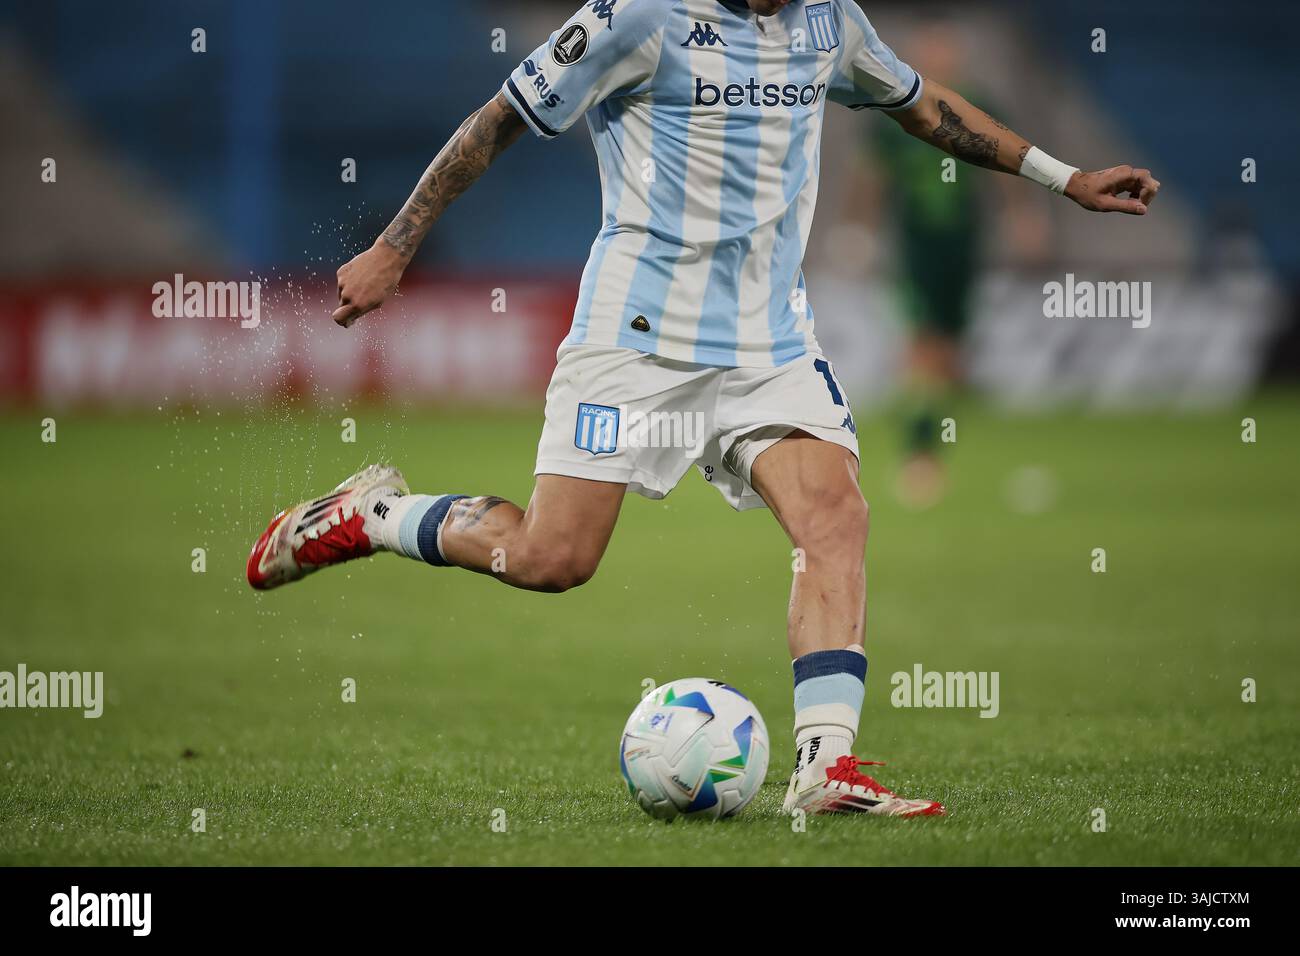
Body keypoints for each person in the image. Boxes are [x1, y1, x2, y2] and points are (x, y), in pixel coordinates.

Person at [247, 0, 1159, 817]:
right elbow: (498, 121)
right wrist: (395, 246)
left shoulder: (827, 22)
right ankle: (374, 516)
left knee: (835, 515)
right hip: (636, 337)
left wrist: (1061, 177)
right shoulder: (635, 19)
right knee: (551, 558)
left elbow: (922, 105)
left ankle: (825, 766)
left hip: (768, 343)